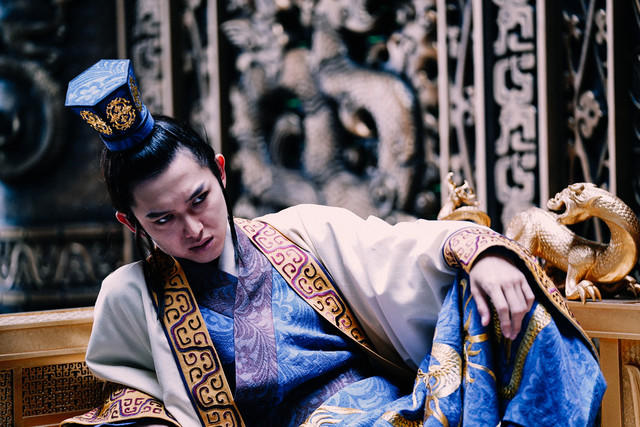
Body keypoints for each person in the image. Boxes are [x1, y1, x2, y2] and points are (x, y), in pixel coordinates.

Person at [62, 60, 605, 427]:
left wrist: (481, 252)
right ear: (131, 222)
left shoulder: (298, 231)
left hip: (395, 411)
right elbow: (131, 397)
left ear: (221, 173)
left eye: (200, 199)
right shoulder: (133, 295)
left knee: (494, 294)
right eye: (163, 220)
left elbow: (399, 251)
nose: (194, 228)